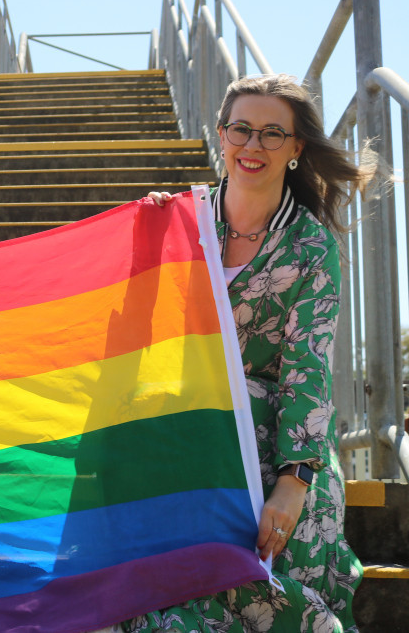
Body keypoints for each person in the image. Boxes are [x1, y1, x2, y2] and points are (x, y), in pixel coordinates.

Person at [128, 74, 373, 632]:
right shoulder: (181, 220)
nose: (253, 145)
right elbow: (130, 326)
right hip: (184, 415)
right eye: (241, 129)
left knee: (290, 518)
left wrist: (295, 479)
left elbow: (306, 370)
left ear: (296, 148)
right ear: (220, 135)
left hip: (278, 430)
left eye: (271, 133)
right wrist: (146, 234)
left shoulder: (313, 247)